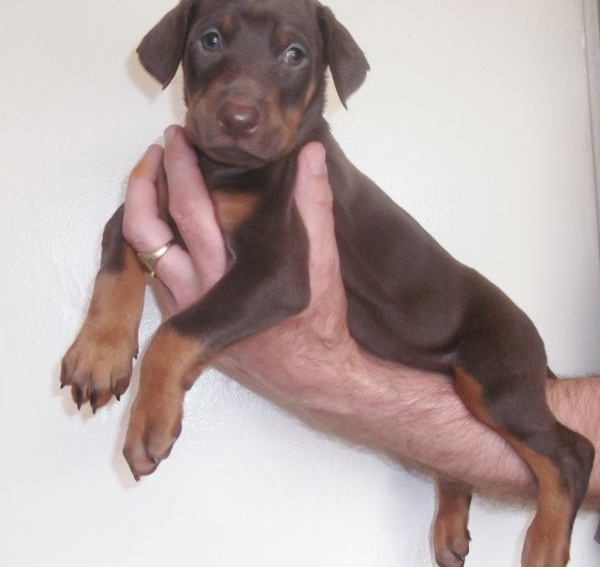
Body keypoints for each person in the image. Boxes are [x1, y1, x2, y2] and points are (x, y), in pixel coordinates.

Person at [123, 125, 600, 507]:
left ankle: (515, 492)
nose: (242, 106)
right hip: (438, 335)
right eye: (210, 43)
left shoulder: (293, 170)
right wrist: (110, 325)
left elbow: (282, 284)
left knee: (501, 406)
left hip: (478, 328)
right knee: (489, 403)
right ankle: (459, 491)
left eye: (293, 55)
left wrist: (171, 352)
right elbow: (128, 229)